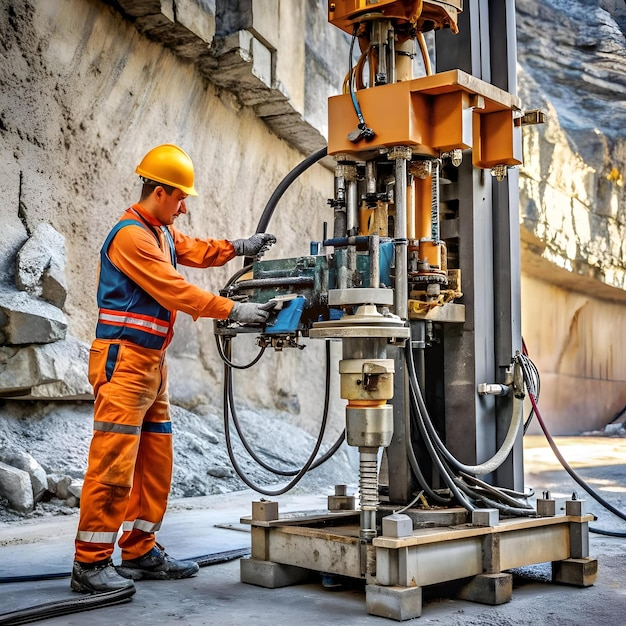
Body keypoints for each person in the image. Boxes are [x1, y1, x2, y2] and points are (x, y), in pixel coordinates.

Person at [71, 144, 276, 595]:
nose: (184, 207)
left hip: (150, 367)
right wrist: (231, 311)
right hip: (123, 364)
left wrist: (239, 247)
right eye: (180, 197)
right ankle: (90, 564)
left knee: (154, 464)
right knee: (113, 467)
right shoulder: (132, 237)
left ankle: (141, 551)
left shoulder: (160, 233)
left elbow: (197, 250)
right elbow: (174, 289)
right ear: (159, 191)